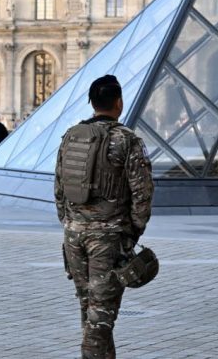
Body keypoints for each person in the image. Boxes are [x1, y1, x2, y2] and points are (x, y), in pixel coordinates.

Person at [55, 75, 154, 358]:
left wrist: (71, 222)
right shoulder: (127, 140)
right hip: (107, 238)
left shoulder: (71, 136)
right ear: (119, 103)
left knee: (91, 310)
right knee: (100, 318)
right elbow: (143, 193)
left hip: (74, 236)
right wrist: (132, 230)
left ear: (92, 103)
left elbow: (59, 189)